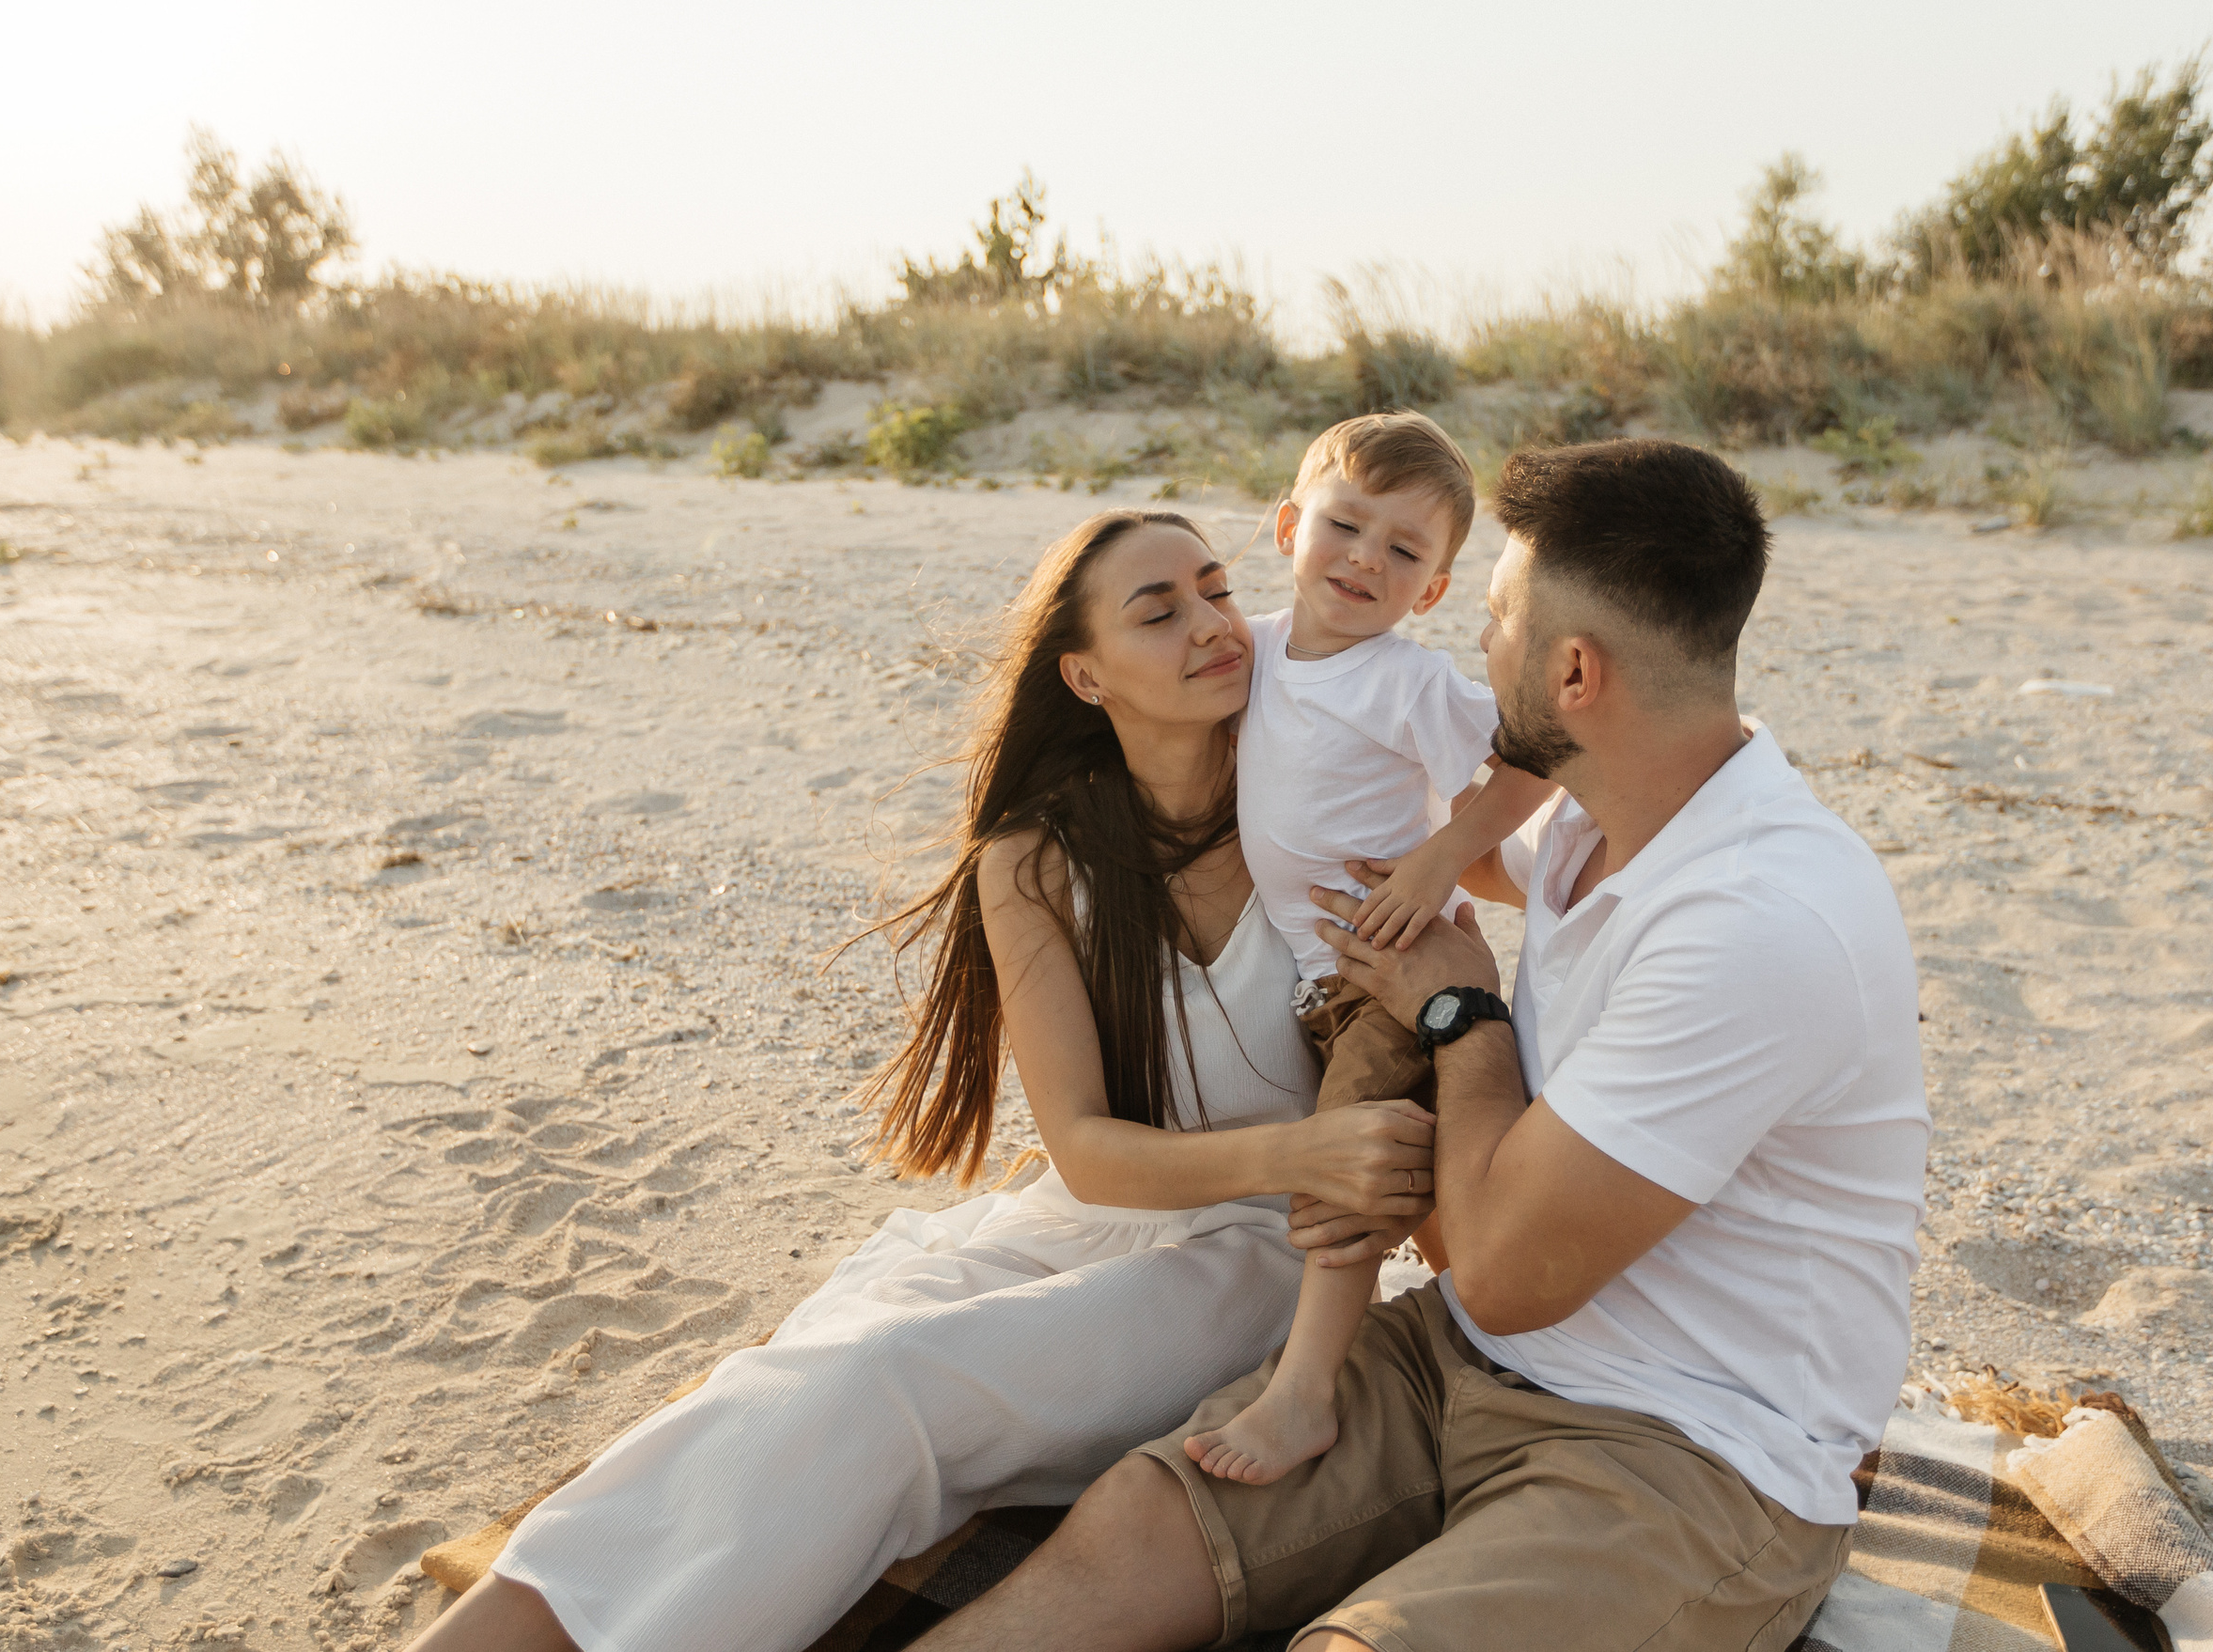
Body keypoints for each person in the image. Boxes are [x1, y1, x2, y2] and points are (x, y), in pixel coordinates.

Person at [910, 439, 1930, 1652]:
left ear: (1574, 671)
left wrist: (1460, 1013)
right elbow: (1371, 838)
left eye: (1492, 615)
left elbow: (1501, 1263)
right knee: (1133, 1527)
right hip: (1462, 1357)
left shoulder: (1762, 923)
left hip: (1693, 1448)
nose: (1473, 647)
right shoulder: (1590, 823)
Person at [401, 509, 1442, 1652]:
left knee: (888, 1384)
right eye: (1160, 611)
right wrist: (1297, 1147)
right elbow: (1086, 1152)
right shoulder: (1036, 857)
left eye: (1214, 588)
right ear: (1084, 677)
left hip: (1257, 1255)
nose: (1211, 625)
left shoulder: (1329, 826)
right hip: (1087, 1214)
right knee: (790, 1376)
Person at [1185, 413, 1556, 1488]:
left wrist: (1444, 854)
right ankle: (1502, 1351)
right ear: (1289, 525)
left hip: (1391, 971)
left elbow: (1530, 761)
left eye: (1403, 551)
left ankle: (1303, 1395)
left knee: (1352, 1160)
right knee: (1434, 1182)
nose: (1364, 560)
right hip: (1311, 974)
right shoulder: (1251, 648)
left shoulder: (1403, 681)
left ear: (1432, 591)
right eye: (1346, 526)